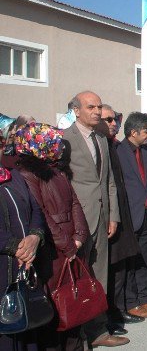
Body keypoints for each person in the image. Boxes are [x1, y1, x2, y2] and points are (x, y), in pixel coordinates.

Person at [14, 123, 90, 350]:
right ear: (37, 144)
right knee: (56, 303)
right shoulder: (27, 175)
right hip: (52, 249)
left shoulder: (56, 169)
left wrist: (79, 235)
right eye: (52, 141)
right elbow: (42, 214)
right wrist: (67, 245)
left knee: (74, 301)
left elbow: (74, 202)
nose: (58, 145)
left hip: (71, 241)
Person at [62, 91, 126, 348]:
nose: (97, 111)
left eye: (99, 106)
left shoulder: (101, 138)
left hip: (101, 218)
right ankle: (77, 338)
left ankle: (98, 331)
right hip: (78, 221)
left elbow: (108, 181)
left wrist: (113, 216)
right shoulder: (66, 139)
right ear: (76, 110)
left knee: (99, 274)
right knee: (77, 278)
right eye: (91, 107)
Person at [95, 105, 144, 331]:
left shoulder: (113, 146)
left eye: (115, 119)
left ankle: (121, 309)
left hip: (121, 214)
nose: (113, 123)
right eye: (108, 119)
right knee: (111, 270)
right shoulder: (99, 145)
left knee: (123, 267)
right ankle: (109, 317)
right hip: (106, 218)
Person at [115, 113, 147, 319]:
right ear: (133, 133)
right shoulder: (119, 152)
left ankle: (145, 299)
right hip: (130, 216)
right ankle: (131, 302)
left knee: (146, 260)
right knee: (131, 263)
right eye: (146, 132)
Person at [0, 159, 45, 351]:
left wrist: (35, 236)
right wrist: (16, 247)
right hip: (4, 264)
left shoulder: (14, 175)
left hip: (24, 264)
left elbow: (35, 208)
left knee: (26, 321)